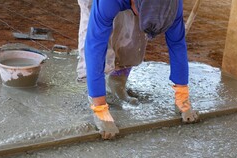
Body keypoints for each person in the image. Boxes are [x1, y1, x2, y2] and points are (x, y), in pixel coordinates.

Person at [85, 0, 199, 139]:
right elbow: (94, 45)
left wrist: (182, 96)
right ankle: (91, 89)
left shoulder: (172, 6)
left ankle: (117, 78)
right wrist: (100, 108)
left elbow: (177, 43)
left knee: (133, 35)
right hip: (104, 5)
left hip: (141, 6)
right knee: (90, 26)